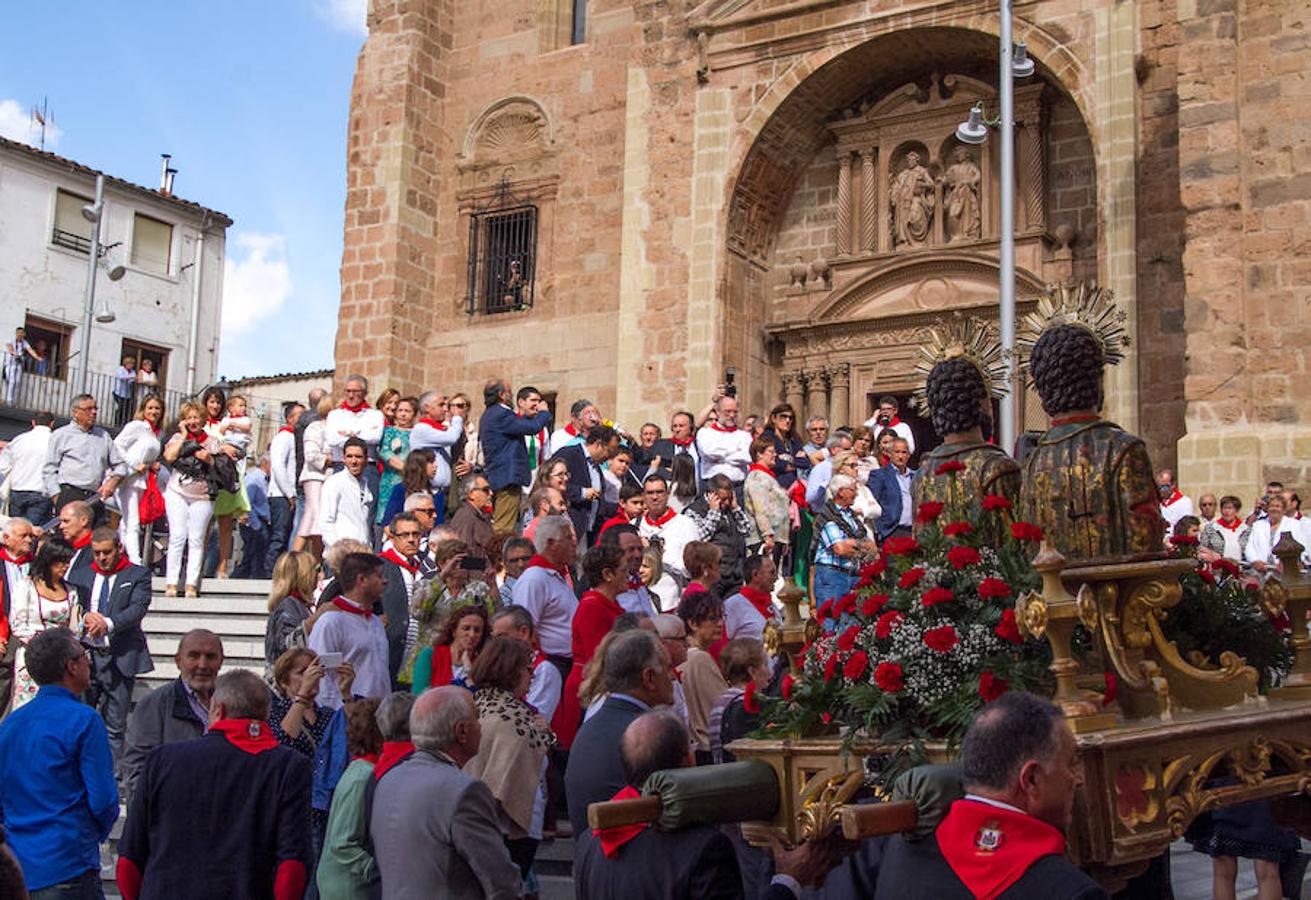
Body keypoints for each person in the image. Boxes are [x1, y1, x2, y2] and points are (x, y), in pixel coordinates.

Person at [874, 691, 1106, 900]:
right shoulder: (1068, 891)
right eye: (1072, 763)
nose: (1079, 779)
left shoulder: (899, 850)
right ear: (1031, 779)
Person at [116, 670, 314, 900]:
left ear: (217, 710)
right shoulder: (289, 766)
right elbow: (292, 868)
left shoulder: (162, 760)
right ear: (267, 714)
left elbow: (129, 861)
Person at [1018, 290, 1162, 560]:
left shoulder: (1033, 459)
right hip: (1114, 598)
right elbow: (1147, 546)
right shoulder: (1123, 450)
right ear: (1096, 379)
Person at [370, 685, 521, 899]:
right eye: (477, 718)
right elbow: (499, 879)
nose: (481, 726)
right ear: (461, 732)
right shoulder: (466, 791)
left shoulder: (389, 779)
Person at [0, 627, 118, 898]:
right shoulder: (84, 720)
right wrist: (90, 836)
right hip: (69, 862)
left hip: (22, 864)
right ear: (71, 666)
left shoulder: (11, 724)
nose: (88, 660)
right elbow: (103, 800)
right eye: (83, 655)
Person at [464, 637, 557, 889]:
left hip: (495, 828)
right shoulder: (509, 719)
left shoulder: (479, 704)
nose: (532, 676)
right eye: (529, 669)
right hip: (507, 832)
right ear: (511, 670)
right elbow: (500, 785)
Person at [564, 629, 675, 837]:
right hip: (634, 859)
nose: (673, 676)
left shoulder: (590, 727)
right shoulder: (648, 733)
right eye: (668, 668)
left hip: (594, 861)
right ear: (649, 677)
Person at [68, 527, 153, 770]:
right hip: (86, 657)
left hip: (119, 656)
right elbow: (73, 607)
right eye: (96, 553)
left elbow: (137, 609)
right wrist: (85, 619)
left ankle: (113, 778)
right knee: (82, 719)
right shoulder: (82, 575)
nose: (102, 558)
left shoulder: (137, 574)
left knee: (115, 725)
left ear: (119, 549)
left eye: (106, 552)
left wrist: (107, 623)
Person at [121, 629, 224, 798]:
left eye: (211, 657)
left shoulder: (232, 701)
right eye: (194, 656)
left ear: (221, 661)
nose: (203, 665)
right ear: (178, 661)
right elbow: (136, 768)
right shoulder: (155, 704)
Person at [559, 544, 630, 748]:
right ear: (608, 574)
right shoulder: (593, 607)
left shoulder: (606, 605)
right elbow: (597, 659)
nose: (628, 575)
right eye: (623, 570)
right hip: (589, 691)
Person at [316, 697, 384, 900]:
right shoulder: (362, 777)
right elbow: (343, 843)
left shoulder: (361, 769)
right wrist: (375, 870)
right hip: (349, 886)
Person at [308, 552, 391, 708]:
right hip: (348, 716)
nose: (385, 581)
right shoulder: (331, 622)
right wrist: (339, 714)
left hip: (378, 715)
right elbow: (322, 676)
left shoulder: (375, 622)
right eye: (379, 576)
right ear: (361, 580)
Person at [9, 539, 80, 710]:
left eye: (67, 563)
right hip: (33, 656)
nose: (64, 567)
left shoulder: (71, 591)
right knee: (27, 705)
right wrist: (44, 645)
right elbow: (18, 624)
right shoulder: (26, 586)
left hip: (61, 659)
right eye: (60, 562)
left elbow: (74, 627)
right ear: (49, 561)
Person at [480, 379, 554, 534]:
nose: (511, 395)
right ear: (501, 395)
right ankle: (498, 556)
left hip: (500, 476)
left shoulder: (491, 414)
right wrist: (544, 413)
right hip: (507, 478)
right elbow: (532, 427)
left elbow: (518, 424)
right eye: (509, 392)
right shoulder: (501, 413)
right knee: (504, 528)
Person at [511, 516, 579, 684]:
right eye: (568, 538)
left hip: (567, 665)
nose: (574, 543)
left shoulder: (555, 575)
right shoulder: (534, 579)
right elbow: (523, 629)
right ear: (551, 543)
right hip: (552, 667)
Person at [161, 402, 218, 598]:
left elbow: (221, 468)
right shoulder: (177, 438)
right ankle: (171, 582)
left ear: (203, 420)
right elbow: (169, 457)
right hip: (177, 491)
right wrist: (183, 436)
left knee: (196, 539)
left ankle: (191, 584)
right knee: (177, 536)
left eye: (196, 417)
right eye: (189, 417)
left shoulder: (212, 441)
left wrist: (209, 459)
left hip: (202, 496)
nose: (193, 421)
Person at [42, 393, 125, 526]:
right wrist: (57, 497)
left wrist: (112, 482)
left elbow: (120, 465)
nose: (93, 412)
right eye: (88, 409)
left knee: (96, 541)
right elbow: (49, 469)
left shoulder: (103, 436)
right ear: (76, 412)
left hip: (94, 497)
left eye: (95, 408)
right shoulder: (61, 435)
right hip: (69, 495)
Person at [676, 588, 729, 763]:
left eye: (721, 617)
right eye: (713, 619)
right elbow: (725, 708)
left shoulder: (686, 656)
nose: (720, 624)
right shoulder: (700, 659)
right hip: (707, 751)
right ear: (692, 623)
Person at [112, 394, 164, 565]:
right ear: (143, 410)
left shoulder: (156, 433)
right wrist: (133, 464)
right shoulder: (137, 426)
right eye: (150, 408)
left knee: (127, 521)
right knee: (132, 520)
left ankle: (122, 555)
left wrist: (151, 465)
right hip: (129, 477)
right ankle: (135, 560)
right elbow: (118, 444)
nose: (154, 411)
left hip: (142, 479)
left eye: (157, 408)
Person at [270, 646, 345, 762]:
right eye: (302, 672)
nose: (311, 677)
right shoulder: (275, 713)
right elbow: (283, 744)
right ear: (284, 681)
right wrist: (303, 693)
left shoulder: (328, 714)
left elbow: (352, 742)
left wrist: (347, 694)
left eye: (314, 670)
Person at [812, 475, 877, 608]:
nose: (857, 493)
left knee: (852, 623)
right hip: (832, 577)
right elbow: (840, 549)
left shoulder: (851, 516)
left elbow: (872, 547)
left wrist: (854, 544)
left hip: (853, 575)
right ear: (841, 492)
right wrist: (863, 548)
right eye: (853, 490)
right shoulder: (828, 515)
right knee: (829, 623)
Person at [685, 474, 753, 597]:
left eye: (729, 498)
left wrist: (736, 509)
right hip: (712, 577)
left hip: (734, 575)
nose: (726, 502)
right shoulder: (694, 511)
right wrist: (714, 512)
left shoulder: (730, 509)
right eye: (723, 499)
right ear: (711, 494)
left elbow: (746, 530)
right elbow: (700, 538)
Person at [555, 424, 620, 550]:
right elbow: (551, 483)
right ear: (598, 444)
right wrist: (582, 493)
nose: (609, 458)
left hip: (588, 533)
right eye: (610, 452)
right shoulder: (569, 454)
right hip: (568, 529)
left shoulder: (596, 467)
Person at [708, 638, 770, 764]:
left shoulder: (720, 702)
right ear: (752, 671)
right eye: (765, 665)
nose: (769, 672)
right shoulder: (747, 705)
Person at [378, 511, 422, 684]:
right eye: (405, 535)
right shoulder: (381, 566)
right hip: (391, 652)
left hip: (416, 654)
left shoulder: (424, 569)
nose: (411, 539)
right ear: (393, 538)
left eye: (415, 534)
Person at [409, 390, 462, 523]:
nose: (445, 409)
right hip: (428, 491)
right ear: (427, 408)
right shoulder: (421, 429)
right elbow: (451, 437)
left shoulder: (440, 428)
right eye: (441, 405)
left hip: (443, 493)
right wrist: (457, 418)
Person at [264, 550, 322, 671]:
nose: (319, 574)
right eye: (316, 569)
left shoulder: (299, 604)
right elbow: (286, 647)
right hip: (285, 683)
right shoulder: (288, 605)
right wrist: (311, 622)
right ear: (303, 574)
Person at [411, 603, 488, 693]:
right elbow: (419, 694)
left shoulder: (483, 663)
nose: (472, 634)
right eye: (466, 628)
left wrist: (470, 671)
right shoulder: (430, 655)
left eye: (477, 630)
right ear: (454, 631)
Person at [638, 474, 698, 586]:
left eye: (659, 492)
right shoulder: (634, 526)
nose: (655, 497)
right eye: (650, 493)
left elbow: (693, 570)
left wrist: (661, 557)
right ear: (643, 496)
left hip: (672, 597)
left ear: (668, 494)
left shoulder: (686, 524)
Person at [294, 392, 335, 557]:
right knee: (312, 517)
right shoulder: (315, 427)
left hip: (328, 479)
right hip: (315, 478)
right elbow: (311, 455)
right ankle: (292, 560)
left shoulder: (336, 429)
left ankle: (316, 567)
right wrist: (331, 459)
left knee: (320, 523)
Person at [0, 410, 55, 525]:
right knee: (33, 533)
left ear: (33, 423)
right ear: (52, 424)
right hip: (42, 492)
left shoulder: (19, 440)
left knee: (15, 530)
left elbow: (3, 466)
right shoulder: (55, 441)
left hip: (18, 490)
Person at [743, 435, 791, 566]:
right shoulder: (757, 477)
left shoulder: (768, 477)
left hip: (776, 538)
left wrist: (783, 539)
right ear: (759, 454)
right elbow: (760, 508)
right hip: (764, 539)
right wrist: (767, 535)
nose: (775, 455)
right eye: (771, 451)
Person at [320, 437, 373, 549]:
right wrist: (339, 550)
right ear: (343, 459)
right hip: (339, 556)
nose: (353, 461)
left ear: (366, 459)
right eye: (349, 456)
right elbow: (326, 522)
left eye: (358, 457)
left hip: (361, 553)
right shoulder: (334, 482)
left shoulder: (365, 483)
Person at [268, 403, 304, 566]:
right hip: (281, 495)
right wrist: (289, 493)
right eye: (299, 415)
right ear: (290, 418)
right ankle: (269, 573)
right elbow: (278, 466)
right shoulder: (284, 437)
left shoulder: (296, 437)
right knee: (279, 536)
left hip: (290, 494)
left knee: (288, 534)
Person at [696, 394, 752, 489]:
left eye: (735, 412)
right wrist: (735, 451)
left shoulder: (744, 436)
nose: (732, 415)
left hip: (738, 486)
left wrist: (720, 457)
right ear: (718, 412)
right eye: (728, 412)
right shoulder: (705, 433)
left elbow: (746, 457)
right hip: (712, 485)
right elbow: (709, 453)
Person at [376, 396, 415, 527]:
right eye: (400, 410)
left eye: (407, 411)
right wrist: (406, 468)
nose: (403, 414)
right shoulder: (389, 431)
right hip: (391, 480)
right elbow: (385, 452)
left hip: (411, 482)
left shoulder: (416, 432)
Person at [868, 437, 917, 542]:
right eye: (897, 452)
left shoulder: (915, 476)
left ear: (909, 455)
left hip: (913, 532)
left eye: (904, 452)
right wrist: (880, 530)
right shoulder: (880, 475)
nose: (900, 456)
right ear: (890, 454)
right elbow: (872, 503)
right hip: (891, 532)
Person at [723, 553, 778, 643]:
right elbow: (723, 644)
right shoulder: (732, 605)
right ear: (755, 575)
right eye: (771, 573)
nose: (776, 578)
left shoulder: (773, 606)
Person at [234, 453, 272, 579]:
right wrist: (255, 525)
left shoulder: (261, 478)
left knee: (253, 555)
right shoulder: (255, 478)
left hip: (259, 521)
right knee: (252, 555)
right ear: (265, 464)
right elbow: (247, 501)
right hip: (254, 522)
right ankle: (240, 578)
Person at [1245, 493, 1304, 573]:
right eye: (1271, 506)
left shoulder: (1294, 525)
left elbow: (1302, 547)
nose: (1274, 509)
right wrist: (1255, 561)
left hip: (1286, 569)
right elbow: (1250, 547)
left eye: (1277, 506)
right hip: (1262, 569)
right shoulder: (1258, 525)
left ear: (1283, 509)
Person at [449, 474, 496, 570]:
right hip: (473, 581)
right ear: (471, 494)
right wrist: (490, 566)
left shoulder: (479, 515)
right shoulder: (465, 518)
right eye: (486, 490)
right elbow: (460, 559)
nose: (491, 493)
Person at [760, 402, 809, 488]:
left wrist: (788, 459)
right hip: (773, 484)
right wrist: (795, 461)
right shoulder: (767, 437)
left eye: (790, 418)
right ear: (774, 418)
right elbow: (773, 463)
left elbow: (805, 463)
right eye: (783, 416)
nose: (787, 421)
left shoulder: (794, 439)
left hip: (792, 486)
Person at [805, 433, 854, 514]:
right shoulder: (820, 469)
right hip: (824, 516)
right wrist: (825, 486)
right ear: (833, 449)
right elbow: (809, 498)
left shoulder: (849, 467)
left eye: (850, 450)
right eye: (846, 449)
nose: (849, 453)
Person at [58, 500, 96, 583]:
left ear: (84, 521)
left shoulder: (96, 551)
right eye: (60, 522)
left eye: (66, 521)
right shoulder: (63, 549)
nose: (61, 526)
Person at [1201, 495, 1248, 562]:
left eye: (1230, 508)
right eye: (1224, 508)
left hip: (1242, 567)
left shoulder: (1245, 529)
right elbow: (1202, 548)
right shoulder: (1211, 528)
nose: (1226, 511)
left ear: (1237, 511)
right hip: (1218, 566)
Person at [2, 326, 40, 406]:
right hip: (10, 365)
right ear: (16, 333)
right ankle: (9, 401)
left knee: (17, 382)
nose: (20, 335)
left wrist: (37, 357)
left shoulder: (24, 342)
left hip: (18, 365)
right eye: (18, 333)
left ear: (24, 334)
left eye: (21, 333)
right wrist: (15, 354)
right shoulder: (11, 340)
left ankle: (13, 401)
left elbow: (30, 350)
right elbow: (10, 348)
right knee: (12, 381)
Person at [641, 544, 680, 613]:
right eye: (638, 566)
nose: (640, 570)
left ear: (655, 568)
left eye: (645, 566)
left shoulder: (666, 588)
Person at [1157, 467, 1195, 536]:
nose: (1162, 490)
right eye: (1159, 487)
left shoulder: (1184, 502)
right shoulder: (1156, 502)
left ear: (1173, 485)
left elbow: (1186, 526)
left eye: (1165, 487)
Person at [498, 536, 535, 607]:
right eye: (514, 561)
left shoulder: (546, 582)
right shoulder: (504, 594)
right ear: (505, 564)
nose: (521, 565)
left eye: (525, 559)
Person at [112, 355, 137, 427]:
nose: (131, 365)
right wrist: (131, 378)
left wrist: (131, 378)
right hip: (118, 392)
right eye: (130, 363)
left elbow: (132, 381)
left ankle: (123, 424)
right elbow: (121, 377)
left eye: (132, 364)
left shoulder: (132, 372)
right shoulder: (120, 369)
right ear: (126, 363)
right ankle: (116, 423)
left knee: (126, 409)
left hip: (127, 394)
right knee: (120, 407)